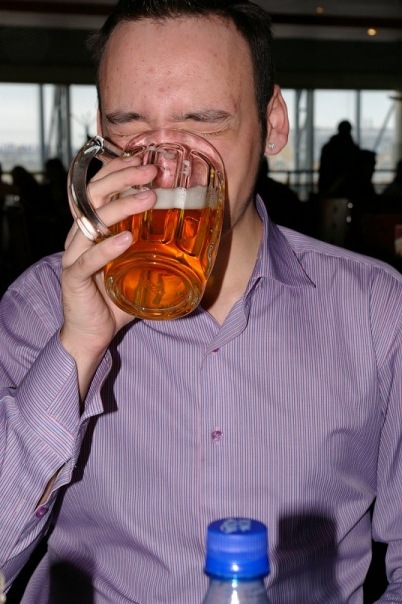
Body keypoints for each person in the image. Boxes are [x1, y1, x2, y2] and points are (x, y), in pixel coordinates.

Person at [0, 1, 401, 603]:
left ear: (273, 124)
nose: (165, 169)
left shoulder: (379, 312)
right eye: (131, 126)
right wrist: (78, 347)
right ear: (101, 137)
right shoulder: (39, 304)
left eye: (204, 123)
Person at [318, 120, 360, 198]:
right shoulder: (353, 149)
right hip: (348, 188)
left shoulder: (328, 148)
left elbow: (323, 168)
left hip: (328, 185)